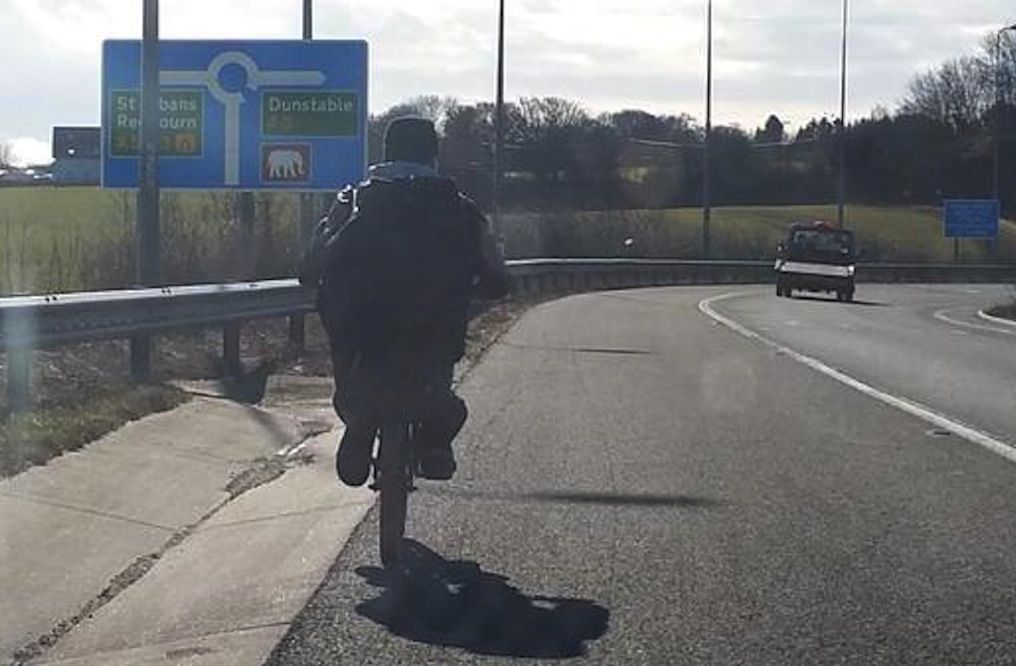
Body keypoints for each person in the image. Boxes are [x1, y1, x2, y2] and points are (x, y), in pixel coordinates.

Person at [299, 116, 510, 487]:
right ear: (433, 155)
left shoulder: (351, 201)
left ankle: (360, 422)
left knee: (351, 375)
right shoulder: (459, 208)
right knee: (441, 391)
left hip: (362, 328)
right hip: (432, 329)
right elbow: (496, 278)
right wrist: (478, 287)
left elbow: (310, 267)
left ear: (386, 152)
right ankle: (434, 442)